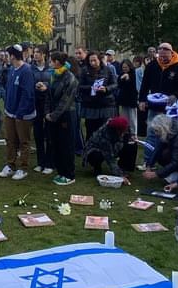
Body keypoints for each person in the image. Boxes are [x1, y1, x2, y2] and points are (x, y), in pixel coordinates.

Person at [0, 44, 36, 181]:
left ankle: (23, 168)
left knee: (23, 141)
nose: (6, 57)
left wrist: (21, 112)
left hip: (22, 114)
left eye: (8, 55)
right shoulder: (12, 70)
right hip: (10, 112)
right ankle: (10, 165)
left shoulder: (26, 71)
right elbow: (9, 90)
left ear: (13, 56)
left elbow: (27, 94)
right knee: (10, 139)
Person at [45, 51, 78, 186]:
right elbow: (48, 95)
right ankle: (60, 171)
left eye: (51, 61)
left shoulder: (70, 78)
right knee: (56, 143)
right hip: (53, 115)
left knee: (66, 145)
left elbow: (66, 101)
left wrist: (54, 115)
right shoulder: (53, 76)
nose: (50, 63)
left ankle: (69, 174)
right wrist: (47, 112)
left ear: (57, 62)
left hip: (66, 116)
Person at [138, 42, 178, 123]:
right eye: (161, 56)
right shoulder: (152, 66)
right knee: (152, 128)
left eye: (165, 56)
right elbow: (145, 84)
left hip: (171, 105)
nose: (162, 59)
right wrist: (142, 99)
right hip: (154, 104)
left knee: (170, 130)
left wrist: (176, 95)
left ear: (171, 53)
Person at [142, 113, 178, 185]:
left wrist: (156, 174)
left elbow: (177, 161)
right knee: (162, 154)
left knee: (166, 154)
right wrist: (149, 165)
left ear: (163, 128)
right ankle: (172, 173)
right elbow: (157, 149)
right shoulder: (167, 132)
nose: (156, 133)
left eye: (157, 131)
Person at [77, 51, 116, 140]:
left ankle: (104, 151)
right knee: (90, 130)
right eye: (90, 61)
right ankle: (90, 151)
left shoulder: (108, 69)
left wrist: (106, 89)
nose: (92, 63)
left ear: (99, 60)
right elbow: (79, 86)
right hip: (90, 105)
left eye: (95, 60)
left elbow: (115, 84)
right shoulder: (84, 70)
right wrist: (91, 88)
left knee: (104, 130)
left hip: (105, 104)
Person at [30, 46, 52, 172]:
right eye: (34, 53)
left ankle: (49, 163)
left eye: (38, 52)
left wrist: (46, 86)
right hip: (36, 102)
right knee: (37, 132)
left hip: (48, 102)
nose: (35, 55)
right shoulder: (31, 68)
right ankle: (40, 161)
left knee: (49, 132)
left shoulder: (51, 68)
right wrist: (35, 85)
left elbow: (54, 83)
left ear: (44, 54)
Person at [116, 57, 139, 134]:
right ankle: (125, 132)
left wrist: (128, 79)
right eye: (123, 67)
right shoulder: (121, 74)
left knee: (132, 118)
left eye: (126, 67)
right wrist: (122, 79)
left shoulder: (134, 74)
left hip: (132, 99)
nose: (124, 69)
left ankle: (133, 133)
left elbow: (134, 86)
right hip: (124, 100)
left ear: (130, 66)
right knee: (124, 117)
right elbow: (119, 85)